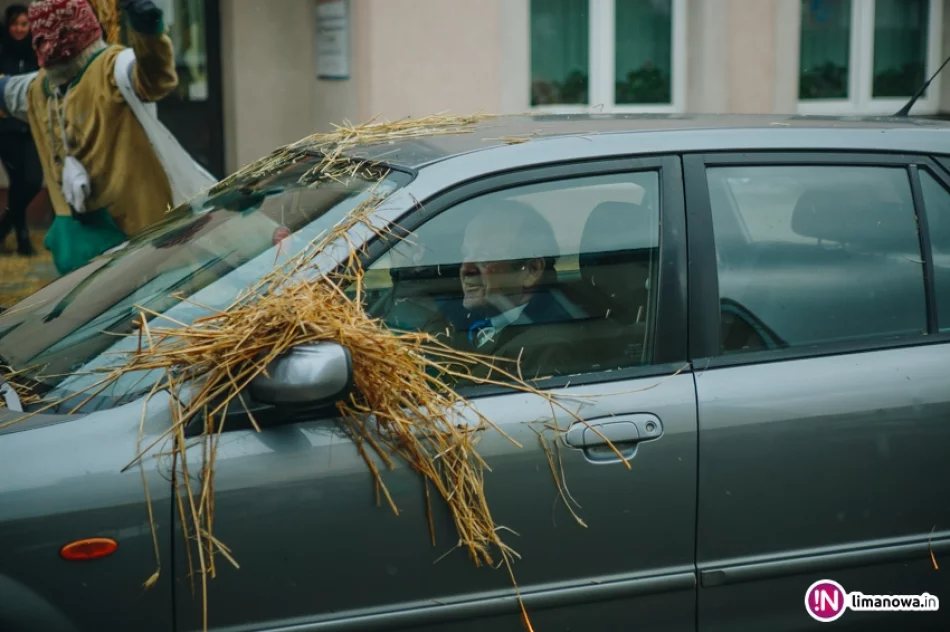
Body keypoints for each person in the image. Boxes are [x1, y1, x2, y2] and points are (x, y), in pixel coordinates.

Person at [0, 0, 179, 275]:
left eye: (58, 35)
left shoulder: (114, 68)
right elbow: (7, 91)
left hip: (137, 236)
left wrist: (149, 35)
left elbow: (155, 78)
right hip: (79, 252)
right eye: (41, 37)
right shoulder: (40, 88)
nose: (49, 45)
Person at [457, 200, 582, 380]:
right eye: (464, 254)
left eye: (484, 257)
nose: (465, 269)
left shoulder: (547, 347)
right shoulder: (471, 315)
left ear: (532, 270)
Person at [0, 4, 42, 256]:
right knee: (18, 182)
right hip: (5, 129)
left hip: (31, 126)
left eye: (24, 24)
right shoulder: (2, 51)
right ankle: (23, 240)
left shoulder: (37, 53)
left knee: (32, 182)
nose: (19, 29)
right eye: (15, 23)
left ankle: (4, 229)